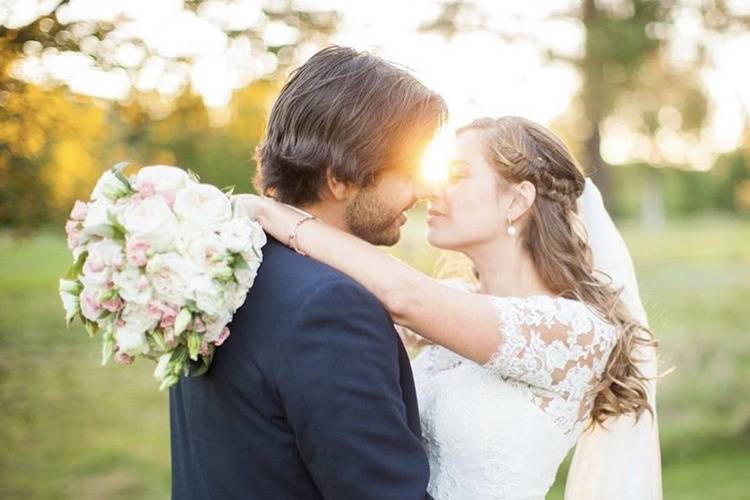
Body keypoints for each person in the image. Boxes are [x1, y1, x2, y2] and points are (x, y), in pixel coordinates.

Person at [236, 116, 663, 499]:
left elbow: (403, 296)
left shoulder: (576, 332)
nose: (431, 189)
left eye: (458, 175)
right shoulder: (456, 297)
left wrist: (278, 217)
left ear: (517, 200)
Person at [169, 45, 447, 500]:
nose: (421, 190)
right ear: (340, 177)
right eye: (409, 172)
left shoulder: (224, 269)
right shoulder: (331, 308)